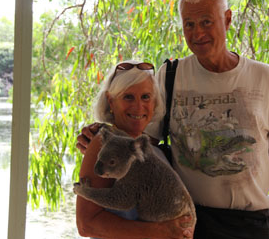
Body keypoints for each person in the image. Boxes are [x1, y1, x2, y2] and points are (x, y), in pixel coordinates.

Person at [78, 0, 269, 239]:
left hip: (251, 224)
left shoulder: (266, 78)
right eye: (189, 24)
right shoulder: (171, 76)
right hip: (190, 223)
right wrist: (102, 137)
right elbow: (139, 138)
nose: (198, 32)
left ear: (228, 19)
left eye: (206, 22)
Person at [75, 59, 194, 239]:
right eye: (128, 97)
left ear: (155, 102)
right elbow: (87, 225)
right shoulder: (103, 143)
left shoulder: (150, 148)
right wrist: (161, 231)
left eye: (145, 97)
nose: (138, 106)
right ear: (110, 100)